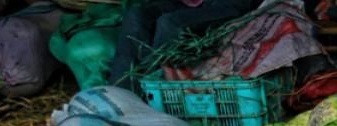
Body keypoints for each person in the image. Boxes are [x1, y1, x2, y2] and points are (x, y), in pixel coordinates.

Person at [109, 0, 259, 91]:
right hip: (189, 3)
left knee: (170, 25)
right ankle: (119, 94)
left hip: (228, 4)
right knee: (136, 15)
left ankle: (148, 91)